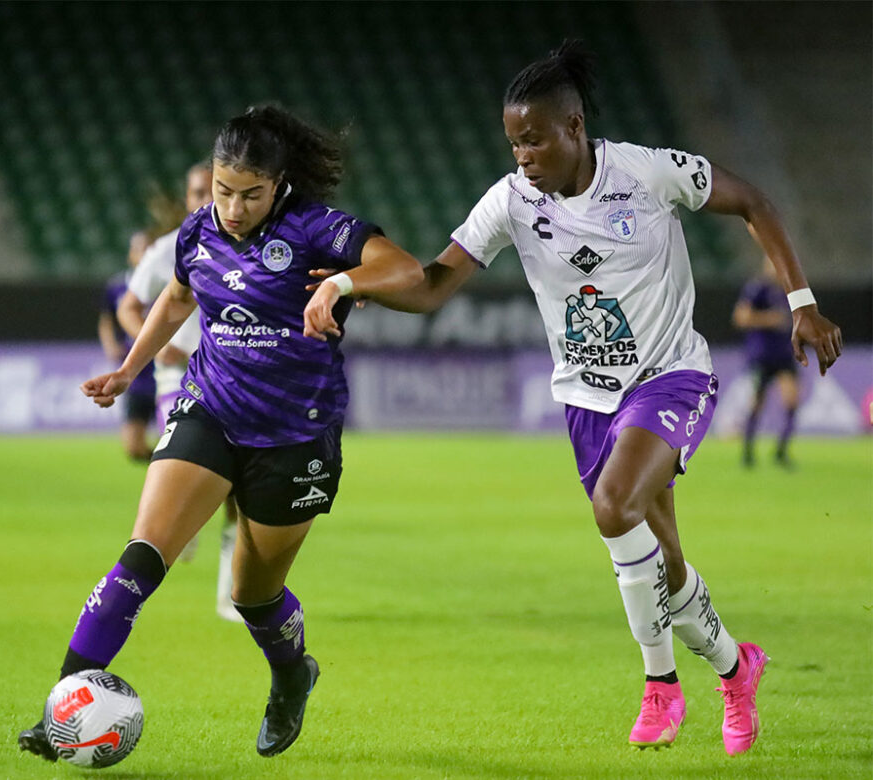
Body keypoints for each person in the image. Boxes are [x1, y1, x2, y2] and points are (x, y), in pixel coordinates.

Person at [342, 41, 842, 755]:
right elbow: (430, 286)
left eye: (535, 139)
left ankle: (660, 687)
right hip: (587, 401)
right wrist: (360, 288)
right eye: (515, 142)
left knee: (614, 508)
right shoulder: (510, 203)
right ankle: (737, 668)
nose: (523, 156)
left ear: (575, 127)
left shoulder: (647, 172)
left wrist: (801, 301)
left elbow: (753, 202)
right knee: (663, 564)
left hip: (671, 376)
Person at [18, 104, 424, 761]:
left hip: (296, 434)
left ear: (280, 183)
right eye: (221, 189)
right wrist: (129, 369)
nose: (231, 208)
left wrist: (341, 284)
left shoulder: (318, 229)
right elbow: (177, 298)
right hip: (210, 408)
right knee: (142, 557)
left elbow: (407, 272)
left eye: (250, 195)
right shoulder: (196, 232)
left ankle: (293, 673)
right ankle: (61, 707)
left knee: (253, 596)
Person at [118, 162, 244, 621]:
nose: (204, 201)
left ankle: (231, 594)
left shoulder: (251, 248)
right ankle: (184, 516)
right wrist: (157, 347)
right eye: (196, 193)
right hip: (179, 383)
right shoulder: (168, 249)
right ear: (186, 199)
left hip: (233, 382)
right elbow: (128, 305)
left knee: (238, 495)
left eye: (210, 191)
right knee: (196, 471)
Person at [733, 257, 801, 468]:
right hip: (762, 355)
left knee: (792, 400)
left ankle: (781, 451)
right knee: (757, 404)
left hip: (785, 354)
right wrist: (769, 319)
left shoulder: (790, 290)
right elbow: (740, 317)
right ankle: (748, 452)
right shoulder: (757, 289)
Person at [98, 229, 157, 461]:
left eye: (148, 249)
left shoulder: (169, 281)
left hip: (168, 367)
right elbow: (106, 320)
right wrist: (110, 345)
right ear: (130, 255)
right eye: (139, 249)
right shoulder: (117, 286)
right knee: (133, 448)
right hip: (136, 371)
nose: (143, 254)